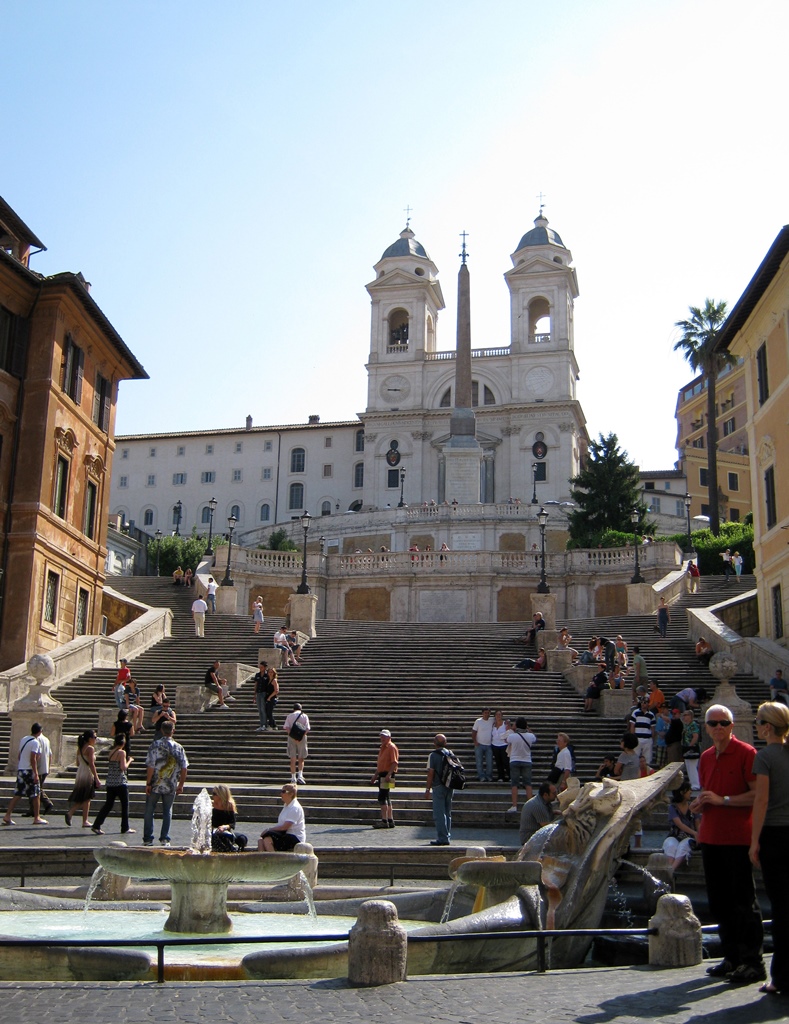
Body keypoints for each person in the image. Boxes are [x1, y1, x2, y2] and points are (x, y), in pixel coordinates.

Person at [691, 704, 764, 985]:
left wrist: (724, 801)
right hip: (711, 836)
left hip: (737, 837)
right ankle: (731, 957)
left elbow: (757, 794)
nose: (718, 727)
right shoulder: (706, 757)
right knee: (719, 902)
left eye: (723, 723)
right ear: (706, 728)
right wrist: (700, 806)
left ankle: (753, 962)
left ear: (732, 726)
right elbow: (708, 793)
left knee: (744, 901)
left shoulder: (747, 753)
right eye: (713, 723)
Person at [750, 702, 789, 995]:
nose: (755, 725)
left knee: (780, 906)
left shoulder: (765, 757)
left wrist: (754, 841)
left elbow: (760, 802)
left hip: (775, 836)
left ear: (767, 727)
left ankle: (780, 977)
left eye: (758, 720)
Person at [143, 719, 188, 847]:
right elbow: (184, 768)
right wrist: (181, 785)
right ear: (173, 731)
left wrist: (148, 783)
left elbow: (151, 766)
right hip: (171, 784)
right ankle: (164, 838)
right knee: (167, 811)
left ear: (162, 730)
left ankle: (147, 838)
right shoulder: (179, 747)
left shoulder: (154, 745)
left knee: (149, 810)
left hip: (155, 783)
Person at [2, 723, 49, 826]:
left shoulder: (24, 739)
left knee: (18, 793)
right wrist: (36, 773)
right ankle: (37, 817)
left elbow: (19, 755)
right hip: (30, 771)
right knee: (36, 794)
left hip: (21, 769)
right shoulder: (36, 742)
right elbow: (33, 759)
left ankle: (7, 815)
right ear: (40, 731)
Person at [91, 733, 135, 835]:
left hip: (110, 782)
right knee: (125, 805)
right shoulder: (121, 753)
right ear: (123, 743)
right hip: (120, 782)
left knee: (108, 805)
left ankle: (97, 824)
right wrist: (130, 761)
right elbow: (123, 768)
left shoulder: (111, 752)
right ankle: (125, 827)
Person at [65, 730, 101, 828]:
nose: (95, 739)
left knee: (84, 796)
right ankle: (81, 818)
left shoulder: (80, 748)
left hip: (80, 772)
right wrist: (97, 778)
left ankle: (76, 815)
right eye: (95, 737)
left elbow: (77, 763)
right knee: (87, 797)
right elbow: (91, 764)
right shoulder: (90, 749)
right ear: (90, 738)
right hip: (87, 773)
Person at [425, 733, 455, 846]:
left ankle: (442, 838)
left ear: (434, 743)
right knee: (448, 812)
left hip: (438, 786)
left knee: (439, 813)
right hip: (450, 785)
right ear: (445, 743)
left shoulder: (433, 755)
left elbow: (431, 772)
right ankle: (447, 835)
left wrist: (427, 789)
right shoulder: (450, 753)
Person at [662, 781, 698, 871]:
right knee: (670, 846)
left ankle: (670, 871)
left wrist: (697, 835)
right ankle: (669, 870)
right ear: (682, 792)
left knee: (683, 846)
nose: (691, 791)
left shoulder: (693, 807)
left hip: (689, 837)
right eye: (688, 790)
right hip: (674, 836)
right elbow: (679, 824)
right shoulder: (672, 807)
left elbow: (698, 824)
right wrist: (695, 832)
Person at [258, 783, 305, 851]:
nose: (281, 794)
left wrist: (269, 830)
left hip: (295, 837)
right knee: (260, 841)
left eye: (283, 792)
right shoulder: (286, 806)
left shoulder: (295, 808)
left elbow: (285, 827)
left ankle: (273, 860)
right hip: (284, 835)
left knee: (267, 840)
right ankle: (262, 860)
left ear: (291, 794)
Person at [506, 716, 537, 814]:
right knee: (528, 783)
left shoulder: (512, 736)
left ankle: (514, 805)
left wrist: (512, 728)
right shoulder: (530, 736)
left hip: (514, 760)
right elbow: (534, 737)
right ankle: (530, 805)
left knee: (514, 784)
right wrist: (528, 728)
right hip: (527, 760)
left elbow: (506, 740)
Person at [370, 729, 399, 828]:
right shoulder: (383, 747)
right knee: (387, 796)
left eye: (384, 736)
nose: (382, 738)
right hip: (383, 774)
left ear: (389, 737)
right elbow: (380, 764)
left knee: (382, 797)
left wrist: (389, 774)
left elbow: (394, 762)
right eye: (381, 736)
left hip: (387, 774)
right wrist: (375, 775)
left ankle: (384, 820)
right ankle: (390, 820)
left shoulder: (391, 747)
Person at [211, 785, 247, 851]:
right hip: (212, 830)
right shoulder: (210, 805)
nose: (212, 795)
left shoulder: (229, 806)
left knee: (242, 838)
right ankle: (230, 851)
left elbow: (232, 824)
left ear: (221, 795)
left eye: (214, 794)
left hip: (225, 830)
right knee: (215, 837)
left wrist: (224, 827)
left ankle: (231, 851)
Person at [283, 703, 310, 784]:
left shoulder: (290, 716)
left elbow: (286, 727)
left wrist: (292, 736)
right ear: (301, 709)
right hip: (302, 738)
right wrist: (300, 737)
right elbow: (307, 728)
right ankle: (300, 775)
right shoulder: (304, 716)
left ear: (293, 709)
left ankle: (293, 777)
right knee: (301, 757)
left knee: (293, 758)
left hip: (291, 738)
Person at [629, 698, 656, 764]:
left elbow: (652, 728)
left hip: (647, 740)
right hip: (637, 739)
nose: (643, 704)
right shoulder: (635, 712)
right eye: (642, 702)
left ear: (648, 704)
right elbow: (632, 725)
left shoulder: (651, 715)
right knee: (634, 758)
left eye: (645, 702)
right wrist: (633, 738)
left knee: (647, 759)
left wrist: (652, 739)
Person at [681, 709, 702, 790]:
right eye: (684, 715)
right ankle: (692, 782)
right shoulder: (686, 725)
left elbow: (695, 736)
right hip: (686, 748)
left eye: (686, 715)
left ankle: (696, 784)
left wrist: (690, 746)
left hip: (692, 748)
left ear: (691, 716)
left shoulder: (693, 725)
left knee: (692, 766)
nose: (685, 717)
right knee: (689, 766)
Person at [472, 708, 494, 782]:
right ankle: (481, 776)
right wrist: (475, 741)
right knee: (479, 761)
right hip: (479, 744)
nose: (486, 714)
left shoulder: (492, 720)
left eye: (488, 713)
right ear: (482, 713)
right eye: (485, 713)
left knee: (489, 762)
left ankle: (489, 776)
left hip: (489, 745)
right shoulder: (478, 721)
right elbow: (474, 732)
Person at [253, 660, 272, 731]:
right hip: (258, 693)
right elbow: (256, 685)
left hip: (264, 693)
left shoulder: (267, 675)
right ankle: (261, 724)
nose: (260, 668)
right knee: (260, 710)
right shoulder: (257, 675)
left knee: (263, 709)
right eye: (260, 667)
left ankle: (265, 724)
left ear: (265, 667)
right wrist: (254, 694)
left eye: (261, 667)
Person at [491, 710, 509, 783]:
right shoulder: (493, 724)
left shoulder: (505, 724)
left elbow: (509, 732)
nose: (498, 716)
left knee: (506, 761)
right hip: (495, 745)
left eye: (499, 714)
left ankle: (510, 776)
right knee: (498, 762)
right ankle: (501, 776)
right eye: (497, 715)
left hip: (503, 745)